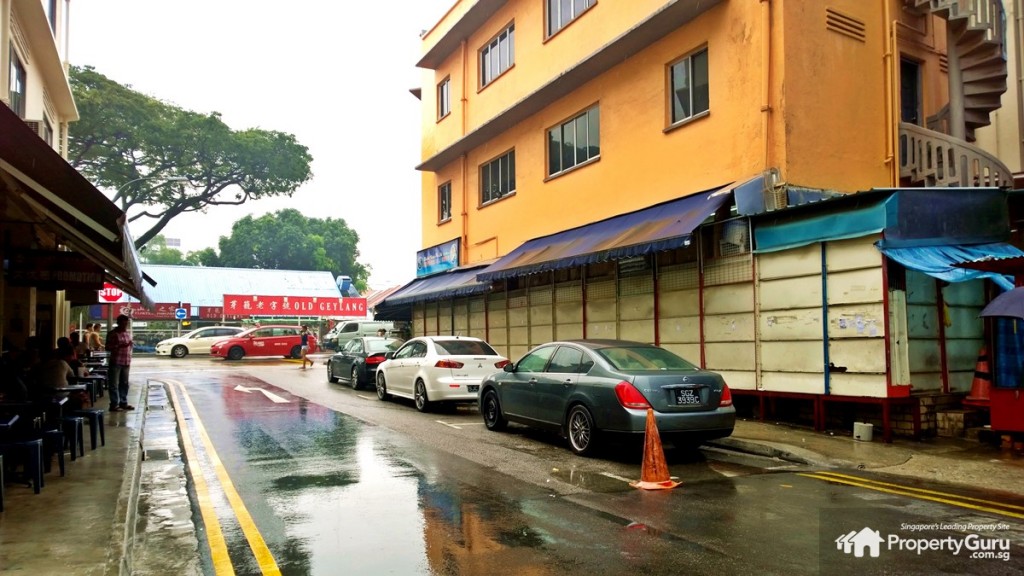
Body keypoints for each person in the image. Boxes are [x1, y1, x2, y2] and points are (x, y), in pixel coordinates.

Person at [105, 314, 134, 411]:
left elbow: (129, 346)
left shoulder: (127, 333)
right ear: (118, 323)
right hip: (116, 361)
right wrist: (119, 346)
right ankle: (114, 404)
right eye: (123, 323)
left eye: (126, 324)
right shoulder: (112, 333)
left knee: (124, 383)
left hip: (126, 361)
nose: (125, 326)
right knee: (113, 384)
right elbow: (107, 347)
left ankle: (123, 402)